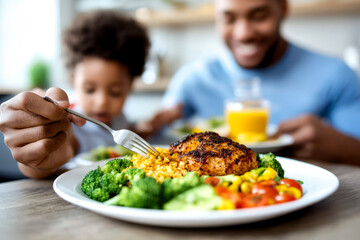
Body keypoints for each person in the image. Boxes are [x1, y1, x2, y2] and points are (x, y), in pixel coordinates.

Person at [138, 0, 360, 165]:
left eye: (259, 16)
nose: (244, 34)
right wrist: (150, 127)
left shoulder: (336, 75)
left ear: (282, 9)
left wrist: (347, 149)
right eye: (229, 18)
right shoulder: (192, 78)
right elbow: (156, 150)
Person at [0, 10, 150, 178]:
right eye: (89, 89)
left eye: (115, 92)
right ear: (73, 80)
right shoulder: (68, 125)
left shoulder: (119, 120)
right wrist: (37, 158)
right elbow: (63, 147)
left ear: (129, 87)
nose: (101, 102)